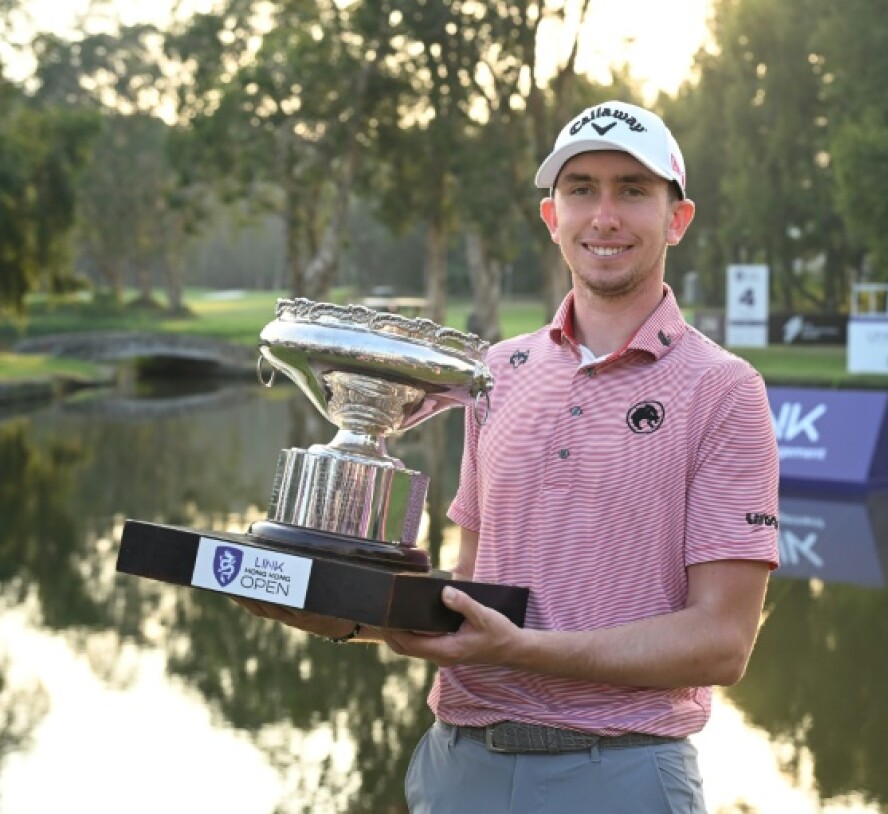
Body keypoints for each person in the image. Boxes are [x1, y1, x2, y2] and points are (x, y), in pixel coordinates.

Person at [239, 99, 779, 813]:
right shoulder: (497, 372)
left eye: (634, 191)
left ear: (677, 219)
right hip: (461, 767)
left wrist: (519, 650)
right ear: (552, 217)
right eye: (581, 188)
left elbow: (721, 642)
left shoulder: (724, 390)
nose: (605, 215)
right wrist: (334, 610)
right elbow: (469, 590)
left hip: (620, 772)